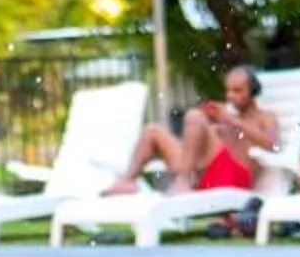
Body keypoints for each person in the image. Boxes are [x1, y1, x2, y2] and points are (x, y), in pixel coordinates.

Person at [103, 63, 278, 197]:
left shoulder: (265, 117)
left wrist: (230, 120)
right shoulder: (226, 112)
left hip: (234, 178)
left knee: (194, 116)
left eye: (238, 90)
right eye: (228, 90)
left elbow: (273, 145)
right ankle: (127, 181)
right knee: (153, 130)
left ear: (254, 91)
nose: (230, 96)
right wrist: (212, 122)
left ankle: (183, 180)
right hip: (203, 173)